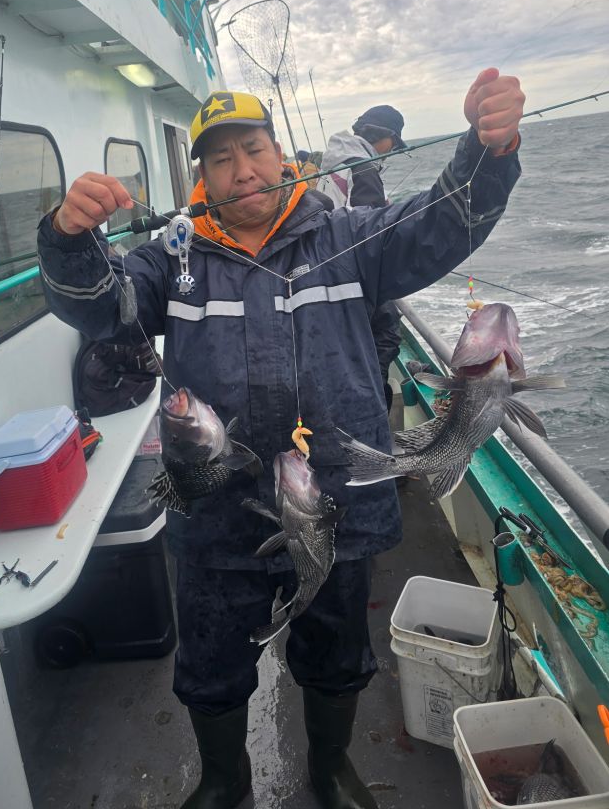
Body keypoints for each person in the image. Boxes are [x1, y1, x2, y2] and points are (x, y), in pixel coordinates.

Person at [37, 69, 524, 809]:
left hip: (337, 500)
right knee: (209, 661)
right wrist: (69, 240)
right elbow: (104, 307)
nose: (244, 170)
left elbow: (441, 225)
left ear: (283, 156)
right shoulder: (173, 258)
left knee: (335, 650)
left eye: (255, 148)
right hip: (216, 510)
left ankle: (329, 769)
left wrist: (488, 153)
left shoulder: (349, 236)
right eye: (223, 159)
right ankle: (224, 780)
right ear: (200, 175)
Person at [317, 105, 407, 411]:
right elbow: (371, 235)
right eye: (394, 144)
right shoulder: (364, 167)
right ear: (384, 137)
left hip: (327, 263)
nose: (392, 151)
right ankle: (371, 408)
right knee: (386, 335)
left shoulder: (335, 157)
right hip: (354, 273)